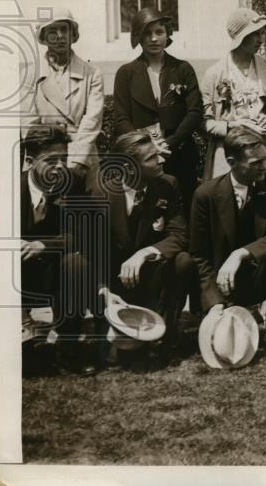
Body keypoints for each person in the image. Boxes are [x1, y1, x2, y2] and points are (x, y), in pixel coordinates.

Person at [190, 126, 266, 357]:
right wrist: (214, 300)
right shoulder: (206, 194)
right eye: (255, 163)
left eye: (264, 160)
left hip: (261, 273)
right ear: (232, 162)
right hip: (224, 283)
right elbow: (199, 254)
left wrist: (241, 253)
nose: (264, 166)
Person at [93, 131, 196, 362]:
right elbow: (93, 253)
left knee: (183, 262)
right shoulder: (101, 194)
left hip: (152, 278)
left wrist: (145, 253)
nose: (160, 160)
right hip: (115, 284)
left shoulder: (168, 185)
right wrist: (104, 291)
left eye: (157, 154)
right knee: (117, 356)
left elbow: (179, 235)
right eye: (151, 157)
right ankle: (112, 331)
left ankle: (166, 337)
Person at [19, 126, 96, 374]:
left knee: (77, 263)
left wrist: (44, 245)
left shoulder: (72, 183)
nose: (61, 166)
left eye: (64, 158)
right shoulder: (6, 187)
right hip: (14, 272)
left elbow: (82, 235)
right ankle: (21, 339)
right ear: (29, 161)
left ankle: (69, 349)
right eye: (51, 160)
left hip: (52, 272)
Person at [112, 8, 203, 213]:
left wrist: (170, 142)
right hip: (143, 160)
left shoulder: (182, 69)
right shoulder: (126, 73)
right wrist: (147, 146)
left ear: (168, 34)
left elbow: (195, 112)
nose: (154, 38)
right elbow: (121, 119)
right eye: (147, 33)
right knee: (148, 214)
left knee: (182, 211)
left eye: (159, 32)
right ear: (137, 36)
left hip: (179, 154)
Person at [200, 8, 266, 182]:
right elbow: (204, 123)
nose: (261, 39)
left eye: (262, 33)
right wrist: (230, 126)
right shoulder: (214, 74)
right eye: (254, 34)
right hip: (229, 155)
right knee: (230, 202)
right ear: (240, 37)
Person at [25, 8, 104, 184]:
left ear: (73, 34)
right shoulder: (31, 74)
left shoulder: (92, 74)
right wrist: (44, 158)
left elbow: (92, 121)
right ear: (44, 37)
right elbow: (29, 124)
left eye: (64, 29)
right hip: (45, 157)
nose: (60, 36)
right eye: (53, 31)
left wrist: (76, 161)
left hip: (83, 157)